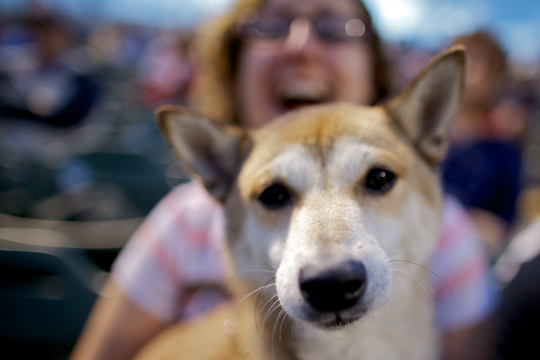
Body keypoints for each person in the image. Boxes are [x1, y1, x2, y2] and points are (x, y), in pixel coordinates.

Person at [70, 1, 498, 359]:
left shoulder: (453, 237)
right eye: (275, 194)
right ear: (234, 63)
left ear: (374, 63)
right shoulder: (181, 222)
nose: (302, 43)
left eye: (378, 178)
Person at [441, 31, 522, 259]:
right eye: (459, 59)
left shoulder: (501, 151)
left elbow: (498, 231)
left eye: (478, 62)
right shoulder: (418, 132)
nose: (467, 71)